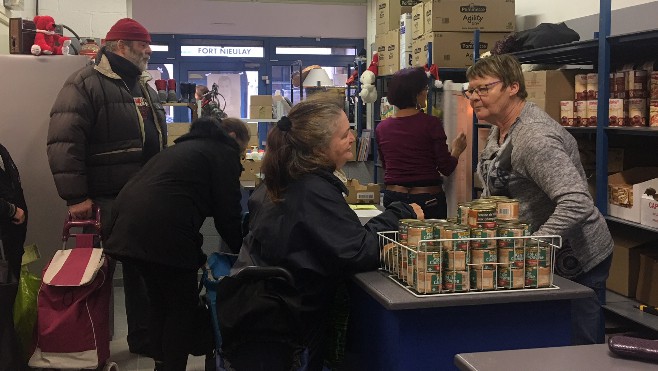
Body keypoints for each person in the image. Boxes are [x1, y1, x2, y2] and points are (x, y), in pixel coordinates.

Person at [218, 100, 424, 371]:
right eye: (344, 134)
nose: (352, 137)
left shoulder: (282, 180)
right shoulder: (311, 190)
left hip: (270, 314)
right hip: (293, 319)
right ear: (318, 148)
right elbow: (358, 251)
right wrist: (400, 213)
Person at [466, 54, 613, 345]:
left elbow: (577, 202)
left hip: (576, 257)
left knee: (578, 346)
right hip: (541, 258)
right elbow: (493, 190)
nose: (474, 97)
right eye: (470, 90)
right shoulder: (499, 128)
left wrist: (532, 247)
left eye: (484, 89)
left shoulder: (534, 139)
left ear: (512, 87)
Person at [46, 18, 166, 356]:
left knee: (142, 271)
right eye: (142, 44)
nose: (149, 50)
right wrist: (76, 197)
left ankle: (142, 339)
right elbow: (63, 142)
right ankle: (89, 341)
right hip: (103, 198)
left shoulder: (141, 84)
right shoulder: (84, 83)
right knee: (96, 273)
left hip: (142, 198)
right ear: (121, 47)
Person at [104, 116, 247, 371]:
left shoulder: (181, 149)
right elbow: (229, 214)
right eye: (243, 152)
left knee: (160, 302)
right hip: (162, 232)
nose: (241, 159)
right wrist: (244, 255)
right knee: (182, 308)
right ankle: (172, 366)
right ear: (233, 138)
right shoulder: (223, 153)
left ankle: (162, 365)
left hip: (127, 226)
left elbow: (177, 199)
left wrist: (197, 249)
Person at [375, 67, 467, 219]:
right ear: (416, 94)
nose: (426, 92)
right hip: (427, 200)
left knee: (396, 241)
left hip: (393, 198)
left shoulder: (382, 128)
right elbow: (446, 167)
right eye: (424, 88)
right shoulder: (431, 124)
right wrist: (457, 150)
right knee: (430, 242)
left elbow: (387, 166)